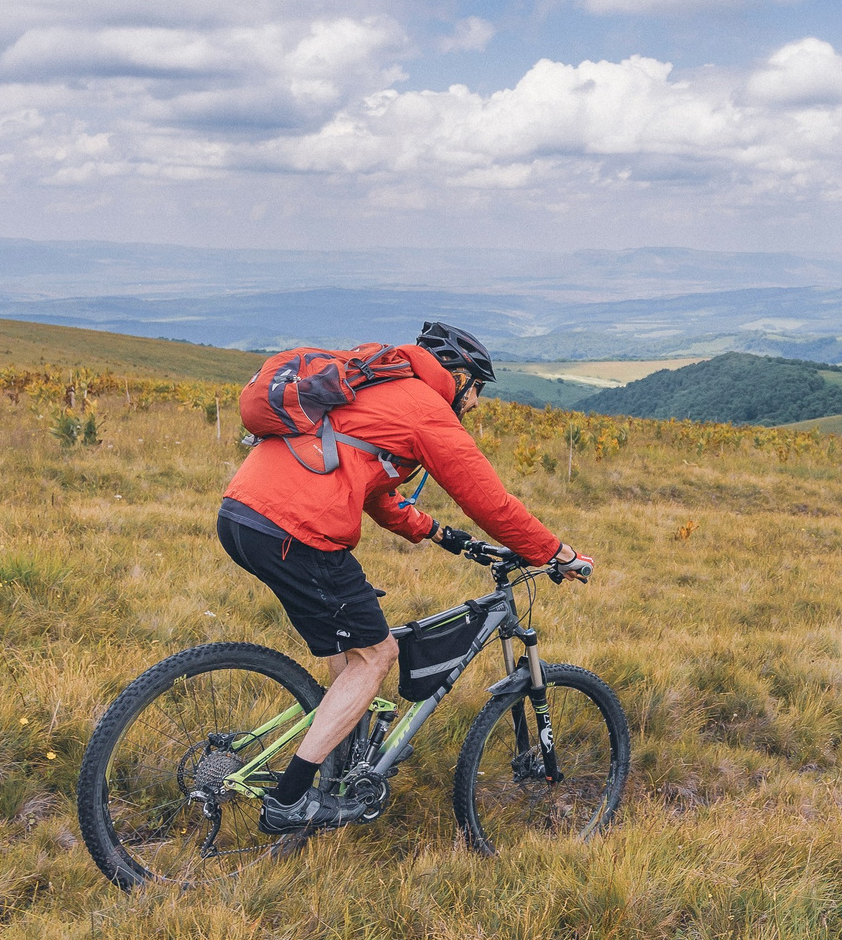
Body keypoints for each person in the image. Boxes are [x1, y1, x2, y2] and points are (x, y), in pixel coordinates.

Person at [217, 321, 590, 835]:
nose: (476, 402)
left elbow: (371, 486)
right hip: (298, 529)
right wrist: (555, 553)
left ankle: (338, 763)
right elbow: (490, 501)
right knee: (377, 655)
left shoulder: (377, 386)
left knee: (349, 655)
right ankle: (289, 801)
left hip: (242, 516)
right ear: (456, 375)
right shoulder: (425, 407)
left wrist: (436, 533)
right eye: (477, 387)